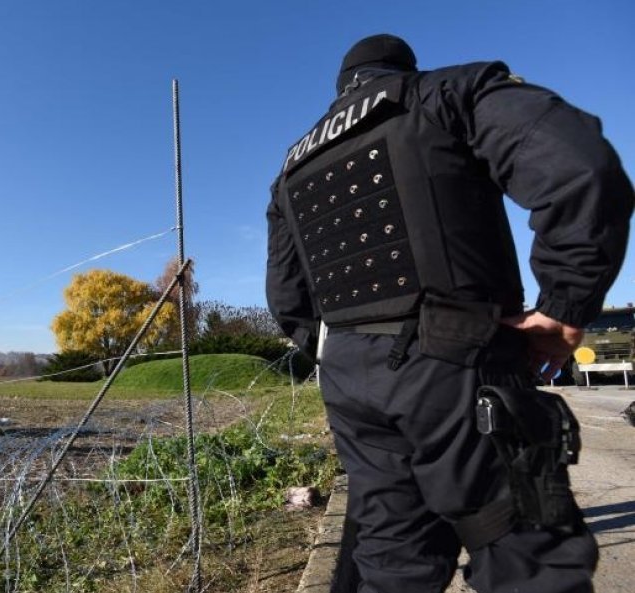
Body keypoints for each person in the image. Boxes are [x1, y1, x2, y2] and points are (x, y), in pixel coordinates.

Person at [266, 34, 633, 593]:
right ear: (403, 67)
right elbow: (581, 168)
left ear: (341, 88)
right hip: (456, 361)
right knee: (523, 549)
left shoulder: (293, 168)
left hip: (348, 380)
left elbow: (286, 297)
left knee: (393, 557)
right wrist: (563, 308)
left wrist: (343, 349)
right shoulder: (443, 94)